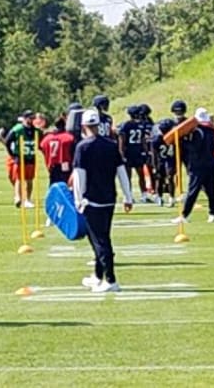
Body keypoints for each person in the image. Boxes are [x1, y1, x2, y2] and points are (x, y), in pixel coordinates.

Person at [73, 109, 134, 293]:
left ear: (83, 126)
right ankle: (98, 276)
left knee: (100, 241)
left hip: (92, 200)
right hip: (109, 199)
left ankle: (111, 279)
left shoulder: (82, 147)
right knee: (99, 238)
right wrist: (128, 196)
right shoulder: (110, 144)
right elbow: (121, 171)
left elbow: (78, 175)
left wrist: (78, 199)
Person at [172, 107, 214, 224]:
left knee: (193, 190)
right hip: (211, 163)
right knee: (211, 190)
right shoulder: (211, 130)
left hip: (198, 164)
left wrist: (182, 141)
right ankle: (213, 213)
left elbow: (195, 147)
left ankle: (184, 215)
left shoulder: (198, 131)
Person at [5, 110, 42, 208]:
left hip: (31, 157)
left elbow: (41, 143)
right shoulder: (18, 129)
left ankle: (28, 199)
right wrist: (12, 154)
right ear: (25, 118)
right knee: (19, 179)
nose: (32, 120)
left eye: (33, 118)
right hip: (20, 157)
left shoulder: (36, 131)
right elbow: (7, 141)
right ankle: (18, 197)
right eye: (30, 118)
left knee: (29, 180)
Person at [119, 105, 151, 202]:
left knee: (129, 176)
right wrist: (146, 152)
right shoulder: (141, 124)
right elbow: (143, 141)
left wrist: (121, 153)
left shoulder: (126, 125)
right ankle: (143, 195)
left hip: (129, 152)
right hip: (138, 152)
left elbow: (122, 141)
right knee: (140, 175)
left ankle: (129, 196)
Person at [151, 118, 177, 207]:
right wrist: (154, 166)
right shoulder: (156, 139)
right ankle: (159, 196)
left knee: (170, 178)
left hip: (170, 160)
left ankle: (171, 197)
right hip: (161, 161)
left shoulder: (175, 138)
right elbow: (154, 155)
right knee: (160, 178)